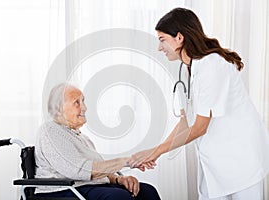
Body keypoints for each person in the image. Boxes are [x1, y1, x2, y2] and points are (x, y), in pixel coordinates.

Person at [129, 7, 269, 200]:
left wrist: (157, 151)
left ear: (179, 37)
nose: (159, 48)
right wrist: (154, 152)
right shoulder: (191, 68)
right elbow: (186, 121)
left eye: (162, 40)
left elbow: (200, 127)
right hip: (217, 159)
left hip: (240, 156)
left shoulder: (211, 65)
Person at [34, 83, 161, 200]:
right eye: (77, 102)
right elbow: (80, 170)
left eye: (83, 101)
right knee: (118, 197)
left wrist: (119, 179)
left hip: (89, 187)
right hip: (62, 190)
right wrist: (127, 161)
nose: (84, 108)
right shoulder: (50, 131)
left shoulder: (82, 138)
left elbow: (98, 173)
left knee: (147, 191)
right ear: (59, 109)